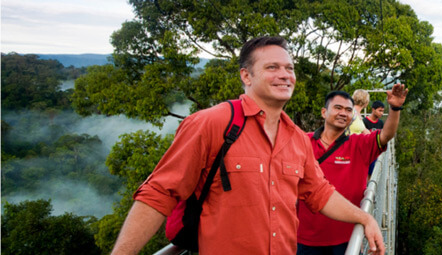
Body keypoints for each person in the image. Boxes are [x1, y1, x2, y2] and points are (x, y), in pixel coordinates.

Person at [110, 36, 384, 255]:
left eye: (289, 68)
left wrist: (365, 218)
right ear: (246, 76)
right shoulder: (212, 123)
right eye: (272, 67)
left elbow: (320, 193)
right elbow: (158, 194)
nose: (285, 75)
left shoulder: (298, 138)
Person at [297, 85, 406, 255]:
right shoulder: (303, 142)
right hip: (307, 239)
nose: (343, 113)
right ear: (324, 112)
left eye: (348, 110)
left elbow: (386, 135)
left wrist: (395, 108)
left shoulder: (359, 144)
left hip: (347, 239)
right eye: (338, 108)